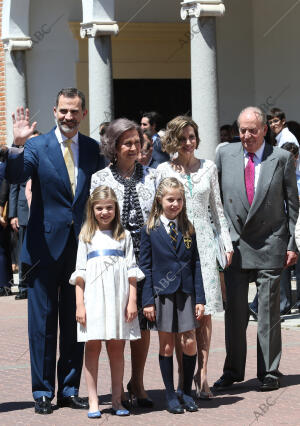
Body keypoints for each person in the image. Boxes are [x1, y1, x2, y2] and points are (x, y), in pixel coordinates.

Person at [4, 88, 105, 414]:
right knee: (42, 324)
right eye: (63, 111)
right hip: (43, 249)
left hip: (81, 249)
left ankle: (71, 388)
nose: (68, 117)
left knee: (76, 320)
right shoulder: (36, 145)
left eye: (74, 111)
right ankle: (43, 391)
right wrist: (18, 144)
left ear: (83, 114)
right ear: (54, 111)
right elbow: (16, 175)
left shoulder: (92, 149)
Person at [214, 106, 299, 392]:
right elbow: (218, 200)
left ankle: (269, 371)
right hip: (235, 247)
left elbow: (292, 204)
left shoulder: (282, 158)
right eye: (242, 130)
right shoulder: (225, 154)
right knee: (235, 314)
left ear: (265, 129)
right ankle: (233, 370)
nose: (246, 135)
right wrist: (220, 239)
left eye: (252, 130)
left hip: (270, 243)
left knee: (268, 313)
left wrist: (291, 242)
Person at [157, 116, 233, 399]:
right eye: (184, 138)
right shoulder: (163, 169)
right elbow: (159, 211)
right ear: (174, 141)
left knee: (206, 312)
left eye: (193, 137)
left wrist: (225, 243)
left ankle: (203, 376)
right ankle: (183, 377)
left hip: (204, 243)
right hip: (177, 245)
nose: (189, 143)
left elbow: (218, 210)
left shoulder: (209, 168)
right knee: (182, 312)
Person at [90, 118, 157, 408]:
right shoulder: (99, 179)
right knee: (117, 323)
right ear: (114, 146)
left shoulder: (153, 176)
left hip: (145, 258)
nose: (133, 148)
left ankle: (138, 381)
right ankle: (116, 389)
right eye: (126, 143)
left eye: (136, 142)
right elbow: (93, 220)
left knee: (142, 320)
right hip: (113, 262)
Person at [70, 186, 144, 418]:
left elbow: (132, 272)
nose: (104, 212)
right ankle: (93, 400)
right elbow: (79, 273)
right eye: (99, 208)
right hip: (93, 298)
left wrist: (132, 301)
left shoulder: (124, 236)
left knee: (116, 346)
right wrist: (79, 305)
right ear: (92, 210)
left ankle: (116, 398)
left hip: (118, 297)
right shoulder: (86, 236)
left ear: (116, 209)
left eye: (109, 208)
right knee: (92, 346)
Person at [140, 177, 205, 414]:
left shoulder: (188, 228)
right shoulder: (150, 229)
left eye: (179, 200)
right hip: (163, 293)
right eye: (170, 200)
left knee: (189, 341)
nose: (175, 204)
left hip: (187, 292)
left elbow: (196, 262)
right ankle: (169, 394)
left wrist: (200, 298)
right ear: (160, 200)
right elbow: (145, 267)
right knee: (166, 346)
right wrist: (148, 300)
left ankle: (185, 391)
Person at [0, 178, 13, 296]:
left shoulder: (2, 169)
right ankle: (7, 285)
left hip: (2, 214)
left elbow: (3, 193)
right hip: (6, 214)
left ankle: (4, 286)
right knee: (5, 251)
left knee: (2, 251)